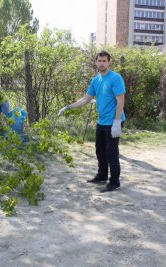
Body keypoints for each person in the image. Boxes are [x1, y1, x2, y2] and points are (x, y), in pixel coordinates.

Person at [58, 51, 126, 193]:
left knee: (111, 152)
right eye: (99, 60)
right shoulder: (96, 80)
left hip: (113, 121)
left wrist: (117, 121)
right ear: (96, 62)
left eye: (104, 61)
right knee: (99, 150)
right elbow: (86, 99)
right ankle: (102, 175)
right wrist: (68, 106)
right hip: (102, 121)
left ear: (109, 62)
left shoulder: (115, 78)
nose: (101, 63)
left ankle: (115, 182)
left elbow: (121, 100)